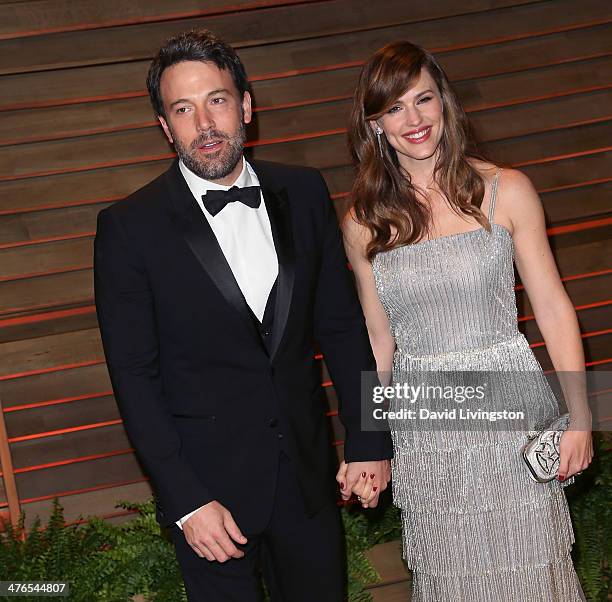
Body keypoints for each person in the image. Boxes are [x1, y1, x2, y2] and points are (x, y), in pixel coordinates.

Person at [94, 29, 392, 602]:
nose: (204, 123)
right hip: (210, 499)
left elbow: (342, 328)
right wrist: (184, 501)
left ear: (247, 106)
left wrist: (368, 440)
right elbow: (134, 378)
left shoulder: (304, 192)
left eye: (218, 100)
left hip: (307, 480)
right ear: (165, 126)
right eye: (183, 109)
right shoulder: (130, 227)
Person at [337, 41, 593, 600]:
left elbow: (551, 306)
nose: (414, 119)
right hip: (426, 432)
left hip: (510, 414)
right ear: (375, 123)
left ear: (444, 104)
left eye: (423, 99)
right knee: (450, 580)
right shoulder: (363, 222)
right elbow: (378, 343)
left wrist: (579, 418)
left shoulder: (507, 190)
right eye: (395, 107)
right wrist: (365, 443)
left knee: (531, 573)